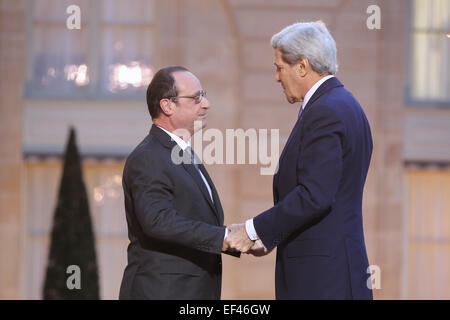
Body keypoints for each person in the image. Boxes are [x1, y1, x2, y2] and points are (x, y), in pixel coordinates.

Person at [226, 21, 374, 300]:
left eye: (279, 67)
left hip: (322, 280)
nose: (277, 77)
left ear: (302, 66)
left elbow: (315, 195)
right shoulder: (347, 105)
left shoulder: (325, 111)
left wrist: (252, 230)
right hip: (337, 274)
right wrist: (271, 235)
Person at [119, 66, 238, 300]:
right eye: (196, 98)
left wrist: (236, 237)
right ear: (167, 106)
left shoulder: (182, 154)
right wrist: (224, 238)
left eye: (202, 95)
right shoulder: (149, 156)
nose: (206, 104)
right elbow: (157, 221)